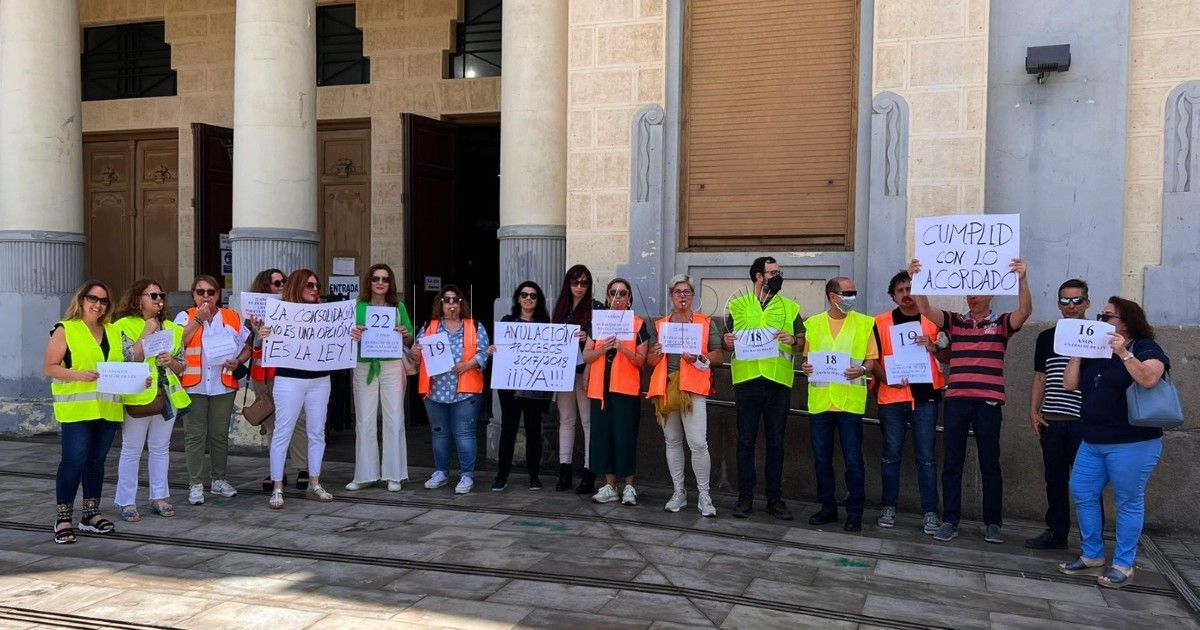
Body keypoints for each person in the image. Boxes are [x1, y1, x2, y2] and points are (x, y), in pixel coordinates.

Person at [909, 257, 1032, 543]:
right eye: (969, 291)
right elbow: (924, 309)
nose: (972, 296)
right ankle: (950, 519)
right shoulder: (955, 321)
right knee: (952, 462)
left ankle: (993, 523)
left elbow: (1024, 311)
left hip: (988, 402)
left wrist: (1023, 279)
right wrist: (916, 277)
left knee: (990, 462)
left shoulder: (1002, 324)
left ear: (991, 293)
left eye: (978, 291)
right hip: (957, 401)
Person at [1059, 297, 1169, 588]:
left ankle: (1124, 564)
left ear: (1127, 321)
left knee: (1128, 502)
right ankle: (1092, 555)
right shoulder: (1096, 350)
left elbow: (1149, 379)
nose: (1100, 319)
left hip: (1133, 442)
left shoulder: (1145, 347)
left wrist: (1123, 352)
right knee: (1082, 490)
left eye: (1106, 316)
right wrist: (1077, 353)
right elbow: (1069, 384)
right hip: (1093, 440)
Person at [721, 256, 803, 520]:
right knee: (745, 441)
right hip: (747, 381)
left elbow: (801, 342)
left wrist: (793, 339)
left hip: (778, 382)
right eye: (773, 272)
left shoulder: (790, 307)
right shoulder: (737, 305)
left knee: (776, 442)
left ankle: (775, 499)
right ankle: (745, 498)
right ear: (759, 276)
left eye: (779, 272)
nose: (778, 276)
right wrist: (726, 341)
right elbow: (726, 342)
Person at [43, 281, 125, 543]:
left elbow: (122, 367)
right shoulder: (66, 329)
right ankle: (63, 518)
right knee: (73, 461)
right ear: (81, 299)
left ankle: (90, 514)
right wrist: (78, 374)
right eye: (93, 298)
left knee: (96, 462)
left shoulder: (113, 331)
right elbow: (50, 367)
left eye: (103, 301)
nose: (98, 305)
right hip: (77, 409)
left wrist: (138, 381)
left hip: (107, 408)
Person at [870, 271, 948, 533]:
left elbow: (949, 354)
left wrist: (935, 347)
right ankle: (889, 507)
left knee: (926, 458)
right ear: (893, 295)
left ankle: (930, 512)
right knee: (890, 456)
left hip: (925, 398)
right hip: (891, 397)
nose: (906, 294)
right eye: (901, 290)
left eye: (910, 289)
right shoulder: (880, 322)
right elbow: (871, 359)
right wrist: (886, 379)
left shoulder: (933, 319)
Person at [801, 277, 877, 532]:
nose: (852, 296)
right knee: (822, 460)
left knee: (853, 461)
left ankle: (855, 512)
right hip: (821, 403)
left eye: (854, 292)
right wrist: (805, 367)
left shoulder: (865, 324)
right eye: (848, 292)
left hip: (849, 403)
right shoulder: (813, 324)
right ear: (833, 296)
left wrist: (864, 369)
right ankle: (827, 507)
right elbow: (807, 361)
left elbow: (872, 361)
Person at [111, 279, 191, 522]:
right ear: (138, 299)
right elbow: (124, 360)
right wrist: (146, 334)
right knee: (131, 449)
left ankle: (159, 497)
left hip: (166, 395)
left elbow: (182, 366)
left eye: (161, 296)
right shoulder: (123, 325)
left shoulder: (172, 328)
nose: (159, 300)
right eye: (153, 295)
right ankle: (126, 501)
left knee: (160, 448)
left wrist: (172, 362)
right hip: (138, 396)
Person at [645, 274, 723, 516]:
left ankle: (704, 495)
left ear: (693, 296)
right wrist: (657, 352)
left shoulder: (705, 322)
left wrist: (699, 358)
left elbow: (718, 355)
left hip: (694, 389)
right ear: (671, 296)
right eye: (677, 292)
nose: (682, 296)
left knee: (698, 443)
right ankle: (679, 492)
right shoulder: (660, 324)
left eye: (686, 292)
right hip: (666, 388)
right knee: (672, 440)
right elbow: (650, 360)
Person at [261, 269, 337, 508]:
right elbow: (262, 340)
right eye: (309, 286)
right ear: (297, 286)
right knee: (283, 431)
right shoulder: (280, 312)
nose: (315, 290)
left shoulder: (326, 314)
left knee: (317, 432)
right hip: (289, 380)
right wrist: (262, 333)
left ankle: (315, 482)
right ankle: (277, 487)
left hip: (320, 379)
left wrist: (351, 334)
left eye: (317, 285)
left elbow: (340, 337)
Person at [174, 274, 251, 506]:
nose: (206, 296)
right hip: (194, 384)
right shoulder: (184, 316)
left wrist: (238, 361)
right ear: (193, 294)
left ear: (218, 294)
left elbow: (246, 346)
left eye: (211, 292)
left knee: (219, 435)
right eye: (200, 292)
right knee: (194, 435)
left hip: (223, 383)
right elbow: (177, 343)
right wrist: (198, 320)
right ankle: (195, 484)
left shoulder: (231, 316)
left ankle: (218, 480)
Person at [1026, 279, 1089, 550]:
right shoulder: (1046, 337)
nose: (1071, 306)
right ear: (1057, 304)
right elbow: (1041, 376)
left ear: (1087, 303)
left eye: (1077, 300)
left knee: (1087, 483)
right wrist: (1033, 411)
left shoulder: (1098, 335)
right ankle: (1056, 532)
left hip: (1084, 423)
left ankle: (1091, 539)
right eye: (1065, 300)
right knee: (1054, 480)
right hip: (1052, 420)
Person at [412, 285, 490, 494]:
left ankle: (467, 475)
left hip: (465, 391)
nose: (451, 304)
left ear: (462, 303)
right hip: (435, 391)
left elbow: (484, 353)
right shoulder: (430, 326)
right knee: (439, 434)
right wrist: (415, 350)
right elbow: (416, 356)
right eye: (447, 300)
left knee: (464, 433)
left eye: (455, 300)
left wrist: (468, 365)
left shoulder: (474, 327)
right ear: (441, 303)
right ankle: (441, 472)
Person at [347, 263, 414, 492]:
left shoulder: (398, 307)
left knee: (394, 418)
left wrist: (405, 335)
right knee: (364, 420)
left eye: (385, 279)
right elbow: (344, 334)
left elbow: (409, 338)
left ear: (390, 283)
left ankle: (394, 474)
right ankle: (365, 474)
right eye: (376, 278)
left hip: (392, 365)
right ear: (369, 281)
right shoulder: (357, 306)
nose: (380, 283)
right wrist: (353, 332)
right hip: (363, 365)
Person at [583, 278, 649, 506]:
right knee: (604, 438)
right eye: (613, 293)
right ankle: (610, 485)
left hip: (626, 390)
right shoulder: (597, 323)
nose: (618, 298)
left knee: (625, 437)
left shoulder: (638, 325)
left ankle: (629, 486)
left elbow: (641, 361)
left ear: (629, 298)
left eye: (623, 293)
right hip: (600, 390)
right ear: (607, 297)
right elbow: (586, 356)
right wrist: (603, 348)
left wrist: (621, 348)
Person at [246, 268, 309, 492]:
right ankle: (277, 470)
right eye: (277, 282)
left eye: (284, 281)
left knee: (298, 418)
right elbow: (251, 344)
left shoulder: (295, 307)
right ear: (265, 287)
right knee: (271, 420)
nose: (282, 285)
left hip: (286, 369)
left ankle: (303, 467)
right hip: (262, 372)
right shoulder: (252, 315)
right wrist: (257, 332)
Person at [488, 281, 552, 491]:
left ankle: (534, 476)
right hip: (510, 387)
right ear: (518, 298)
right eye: (524, 295)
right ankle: (502, 475)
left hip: (535, 388)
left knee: (534, 430)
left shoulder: (545, 324)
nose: (528, 299)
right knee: (509, 430)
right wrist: (493, 349)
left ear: (538, 300)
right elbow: (499, 348)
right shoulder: (507, 321)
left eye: (533, 296)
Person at [550, 264, 605, 493]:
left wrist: (587, 337)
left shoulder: (596, 307)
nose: (579, 288)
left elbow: (603, 340)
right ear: (568, 284)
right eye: (575, 283)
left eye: (584, 283)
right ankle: (565, 470)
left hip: (585, 371)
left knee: (587, 422)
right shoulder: (560, 307)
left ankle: (589, 473)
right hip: (563, 372)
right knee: (566, 420)